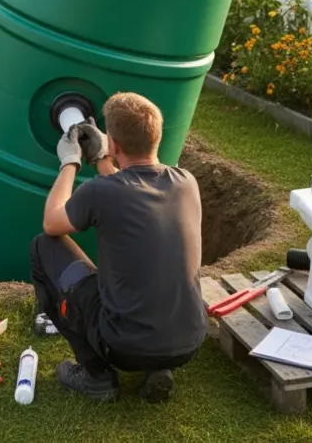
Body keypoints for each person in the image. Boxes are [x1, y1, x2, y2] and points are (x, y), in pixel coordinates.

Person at [30, 92, 205, 403]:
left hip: (122, 346)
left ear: (114, 142)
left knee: (44, 247)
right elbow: (131, 188)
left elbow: (51, 223)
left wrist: (69, 163)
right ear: (156, 136)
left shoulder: (101, 192)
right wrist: (103, 160)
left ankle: (95, 374)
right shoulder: (185, 182)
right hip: (187, 343)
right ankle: (158, 368)